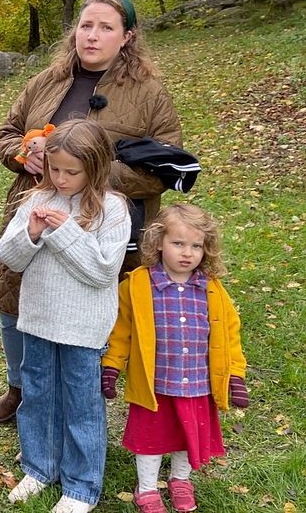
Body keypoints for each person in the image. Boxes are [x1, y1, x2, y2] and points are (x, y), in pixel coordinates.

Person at [0, 0, 183, 424]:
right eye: (85, 25)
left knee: (87, 305)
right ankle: (20, 389)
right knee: (17, 297)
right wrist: (23, 152)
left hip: (103, 223)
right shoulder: (48, 81)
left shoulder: (148, 93)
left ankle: (82, 394)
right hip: (36, 211)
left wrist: (87, 174)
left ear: (127, 36)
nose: (91, 35)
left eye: (105, 27)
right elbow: (7, 130)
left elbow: (167, 166)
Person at [0, 119, 131, 513]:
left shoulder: (112, 209)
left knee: (81, 405)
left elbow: (103, 271)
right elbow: (10, 257)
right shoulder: (36, 200)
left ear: (95, 168)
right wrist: (33, 234)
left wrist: (66, 231)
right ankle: (40, 467)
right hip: (38, 320)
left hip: (84, 329)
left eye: (72, 172)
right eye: (55, 169)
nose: (61, 178)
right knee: (36, 396)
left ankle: (82, 485)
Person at [101, 204, 249, 513]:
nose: (188, 253)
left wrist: (235, 375)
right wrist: (112, 367)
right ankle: (146, 489)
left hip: (198, 382)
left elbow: (229, 334)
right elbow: (121, 331)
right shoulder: (137, 285)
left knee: (187, 436)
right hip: (155, 383)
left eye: (196, 246)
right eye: (178, 243)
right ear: (158, 242)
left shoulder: (212, 289)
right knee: (151, 439)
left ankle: (181, 480)